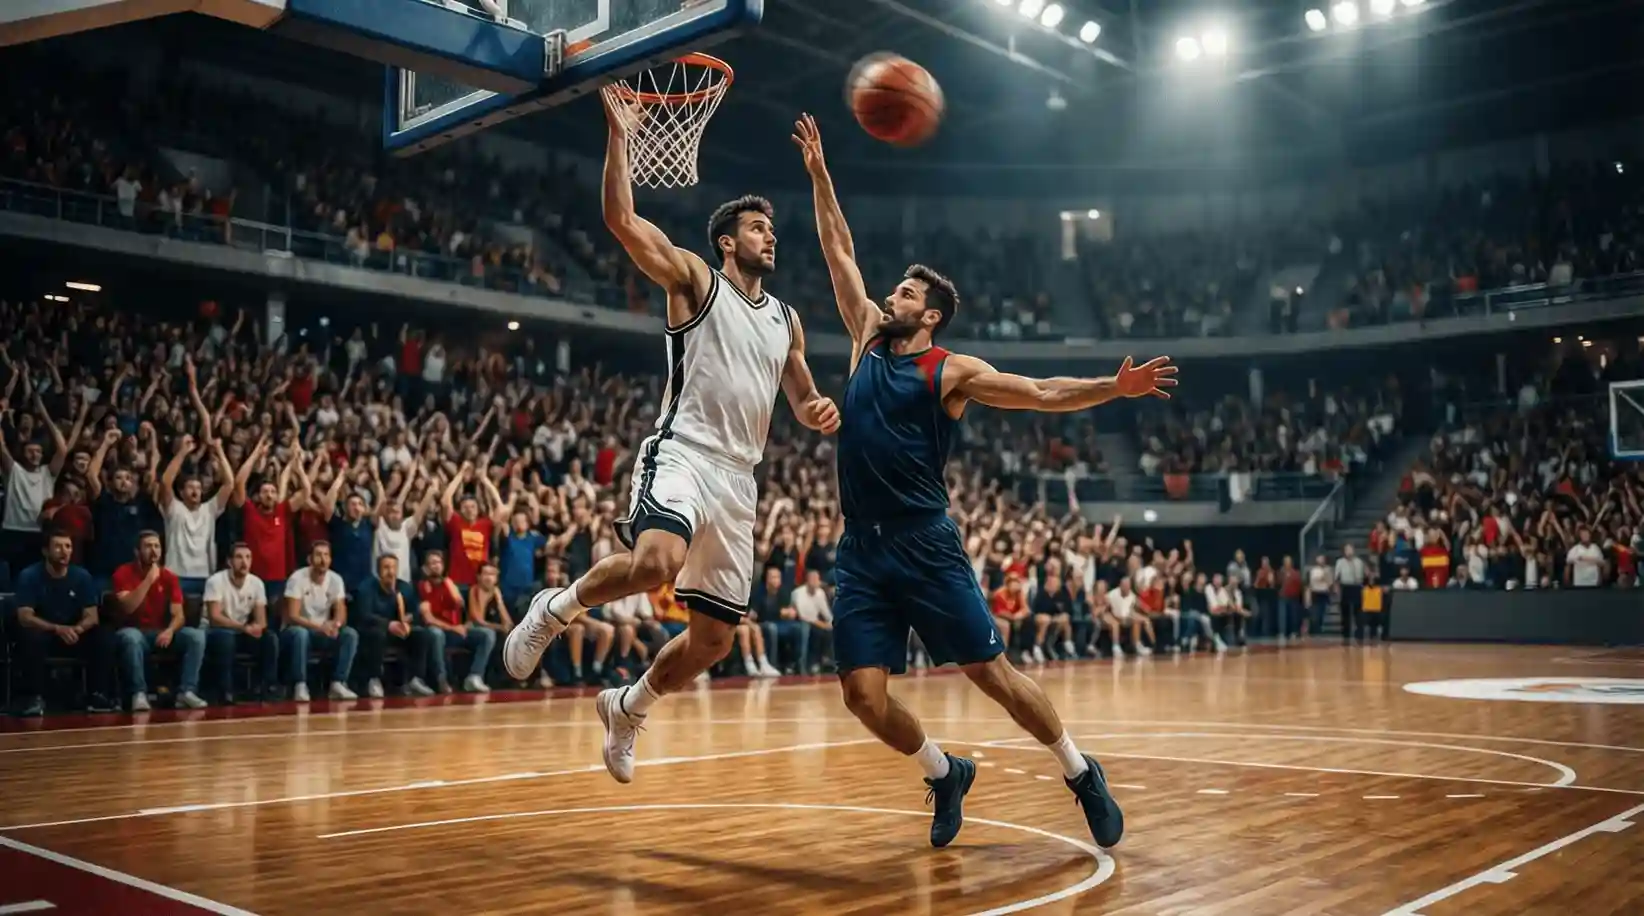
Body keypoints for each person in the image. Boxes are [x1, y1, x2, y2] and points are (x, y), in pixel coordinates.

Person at [788, 112, 1177, 850]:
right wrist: (819, 173)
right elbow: (838, 247)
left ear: (928, 315)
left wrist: (1113, 386)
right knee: (863, 697)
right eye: (893, 290)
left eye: (904, 293)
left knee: (991, 675)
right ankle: (943, 772)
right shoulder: (867, 339)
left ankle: (1077, 770)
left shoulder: (951, 371)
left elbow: (1042, 393)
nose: (890, 297)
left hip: (925, 543)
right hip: (861, 551)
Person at [503, 89, 840, 783]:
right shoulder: (694, 280)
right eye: (756, 229)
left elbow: (803, 401)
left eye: (770, 230)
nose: (768, 237)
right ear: (727, 242)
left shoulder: (787, 320)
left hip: (740, 479)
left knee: (714, 640)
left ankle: (628, 705)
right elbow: (622, 220)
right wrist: (620, 135)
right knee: (657, 561)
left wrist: (818, 413)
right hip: (683, 450)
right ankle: (556, 609)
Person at [12, 529, 116, 715]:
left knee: (103, 636)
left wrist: (77, 628)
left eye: (68, 546)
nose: (64, 551)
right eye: (58, 546)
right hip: (45, 635)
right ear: (45, 551)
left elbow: (92, 616)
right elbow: (25, 616)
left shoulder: (82, 576)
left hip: (74, 636)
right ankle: (34, 697)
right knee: (29, 637)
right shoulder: (30, 575)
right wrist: (57, 629)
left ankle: (97, 695)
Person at [202, 542, 279, 703]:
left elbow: (261, 620)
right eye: (239, 557)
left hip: (241, 630)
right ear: (229, 562)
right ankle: (226, 690)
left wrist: (256, 628)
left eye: (248, 557)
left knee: (269, 638)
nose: (244, 562)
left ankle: (266, 687)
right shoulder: (215, 581)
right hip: (214, 630)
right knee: (226, 638)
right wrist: (244, 628)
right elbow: (215, 618)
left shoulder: (256, 583)